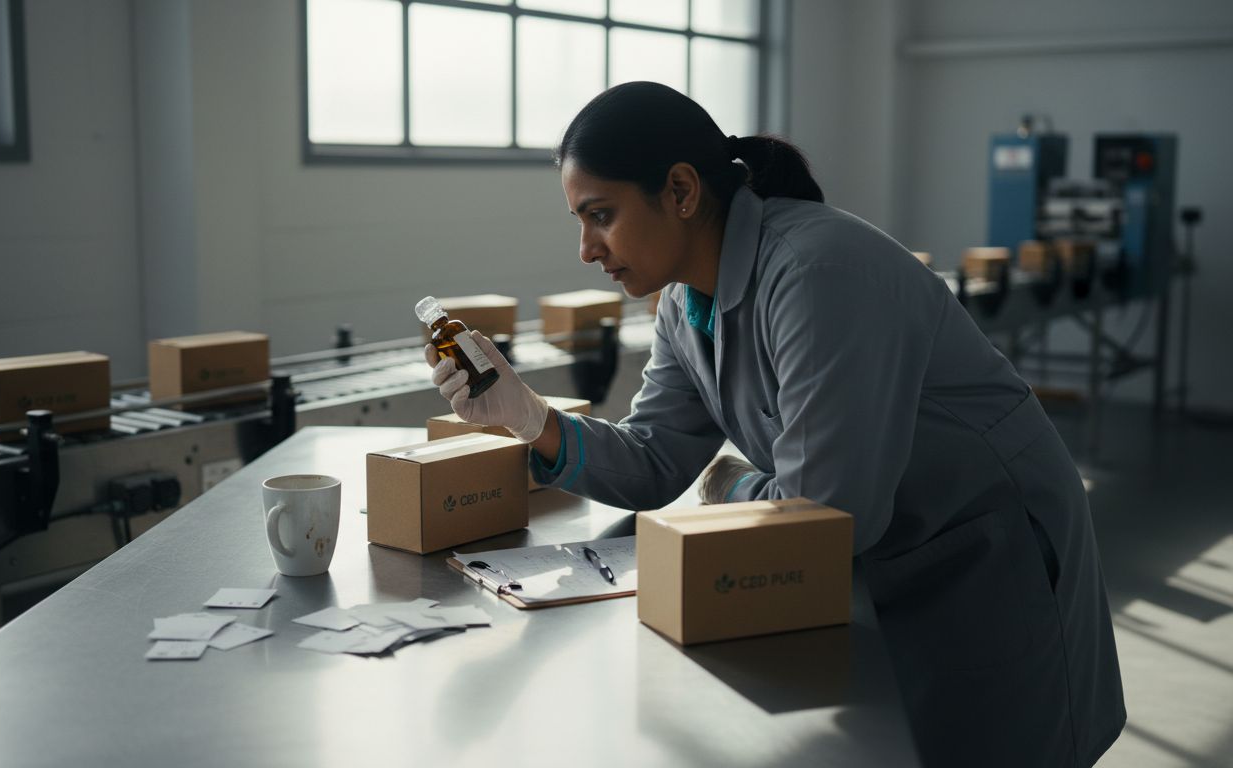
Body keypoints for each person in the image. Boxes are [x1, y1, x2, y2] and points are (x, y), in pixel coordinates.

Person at [423, 81, 1124, 767]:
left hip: (994, 557)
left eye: (600, 214)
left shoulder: (817, 271)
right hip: (902, 561)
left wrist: (730, 486)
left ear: (682, 191)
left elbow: (831, 511)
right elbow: (655, 460)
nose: (586, 247)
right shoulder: (681, 304)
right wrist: (527, 416)